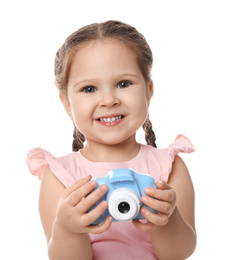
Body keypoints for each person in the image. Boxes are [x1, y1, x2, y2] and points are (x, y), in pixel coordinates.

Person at [26, 20, 196, 260]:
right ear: (66, 103)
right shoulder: (59, 175)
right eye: (89, 89)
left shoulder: (168, 167)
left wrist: (167, 220)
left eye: (123, 84)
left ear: (149, 90)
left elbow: (178, 254)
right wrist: (67, 228)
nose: (108, 100)